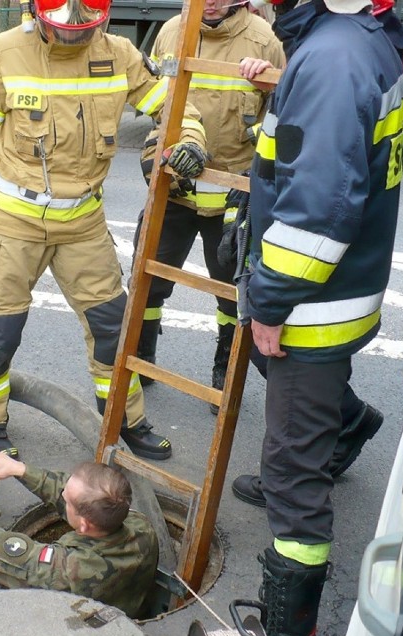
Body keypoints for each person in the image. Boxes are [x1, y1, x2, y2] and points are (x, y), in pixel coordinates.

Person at [0, 0, 207, 461]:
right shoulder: (5, 52)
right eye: (62, 29)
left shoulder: (121, 53)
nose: (75, 35)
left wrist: (189, 140)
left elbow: (172, 106)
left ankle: (123, 419)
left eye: (86, 27)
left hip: (83, 223)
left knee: (112, 327)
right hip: (14, 223)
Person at [236, 0, 403, 635]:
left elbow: (319, 211)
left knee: (291, 478)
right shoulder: (356, 40)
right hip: (342, 289)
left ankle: (289, 626)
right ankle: (351, 423)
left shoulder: (331, 58)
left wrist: (272, 303)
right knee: (286, 393)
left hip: (311, 304)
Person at [134, 0, 285, 412]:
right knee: (147, 283)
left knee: (231, 296)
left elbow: (284, 116)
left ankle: (224, 370)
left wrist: (267, 83)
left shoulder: (263, 40)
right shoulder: (171, 31)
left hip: (231, 199)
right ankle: (141, 360)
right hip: (174, 189)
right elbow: (155, 102)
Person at [0, 433, 158, 617]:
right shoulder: (139, 525)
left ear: (83, 526)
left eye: (67, 498)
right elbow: (81, 495)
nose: (61, 493)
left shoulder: (69, 570)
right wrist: (19, 469)